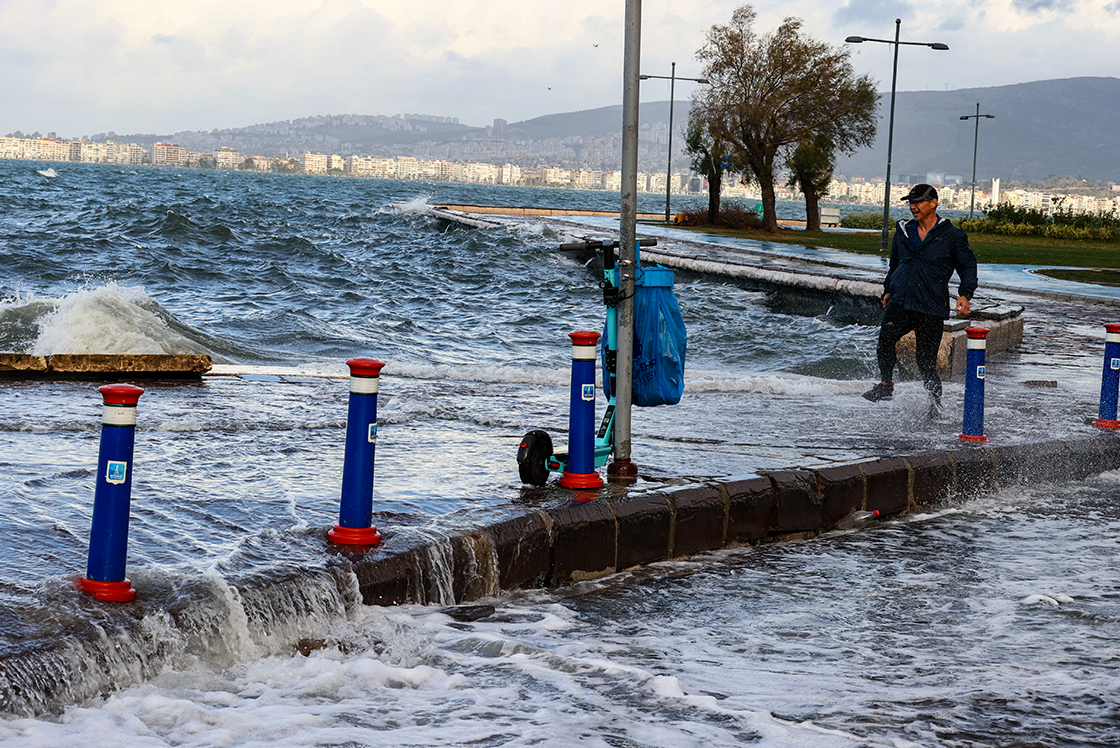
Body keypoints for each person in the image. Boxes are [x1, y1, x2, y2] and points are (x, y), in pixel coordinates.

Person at [862, 184, 978, 415]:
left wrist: (965, 294)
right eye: (910, 202)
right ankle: (886, 385)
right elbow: (895, 263)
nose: (913, 206)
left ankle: (935, 405)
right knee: (885, 339)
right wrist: (888, 288)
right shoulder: (904, 231)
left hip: (931, 305)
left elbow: (967, 266)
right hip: (902, 301)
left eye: (919, 202)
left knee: (925, 362)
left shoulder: (952, 236)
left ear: (933, 202)